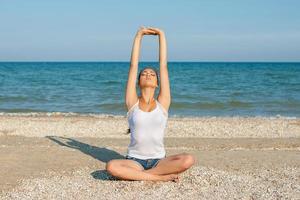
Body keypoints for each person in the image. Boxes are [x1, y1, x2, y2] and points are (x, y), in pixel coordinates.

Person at [106, 26, 195, 182]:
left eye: (152, 74)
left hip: (159, 160)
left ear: (157, 83)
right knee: (111, 166)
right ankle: (160, 178)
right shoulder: (132, 103)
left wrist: (161, 35)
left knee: (188, 159)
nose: (148, 75)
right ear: (139, 82)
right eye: (144, 74)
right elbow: (133, 66)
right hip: (134, 161)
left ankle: (146, 176)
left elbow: (163, 66)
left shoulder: (163, 103)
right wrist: (139, 35)